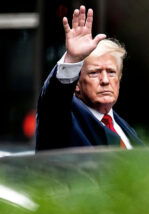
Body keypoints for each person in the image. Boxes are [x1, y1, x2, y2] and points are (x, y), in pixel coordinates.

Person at [35, 5, 143, 151]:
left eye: (111, 72)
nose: (105, 80)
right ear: (77, 84)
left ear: (119, 79)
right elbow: (53, 100)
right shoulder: (63, 119)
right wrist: (73, 60)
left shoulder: (124, 126)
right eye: (94, 73)